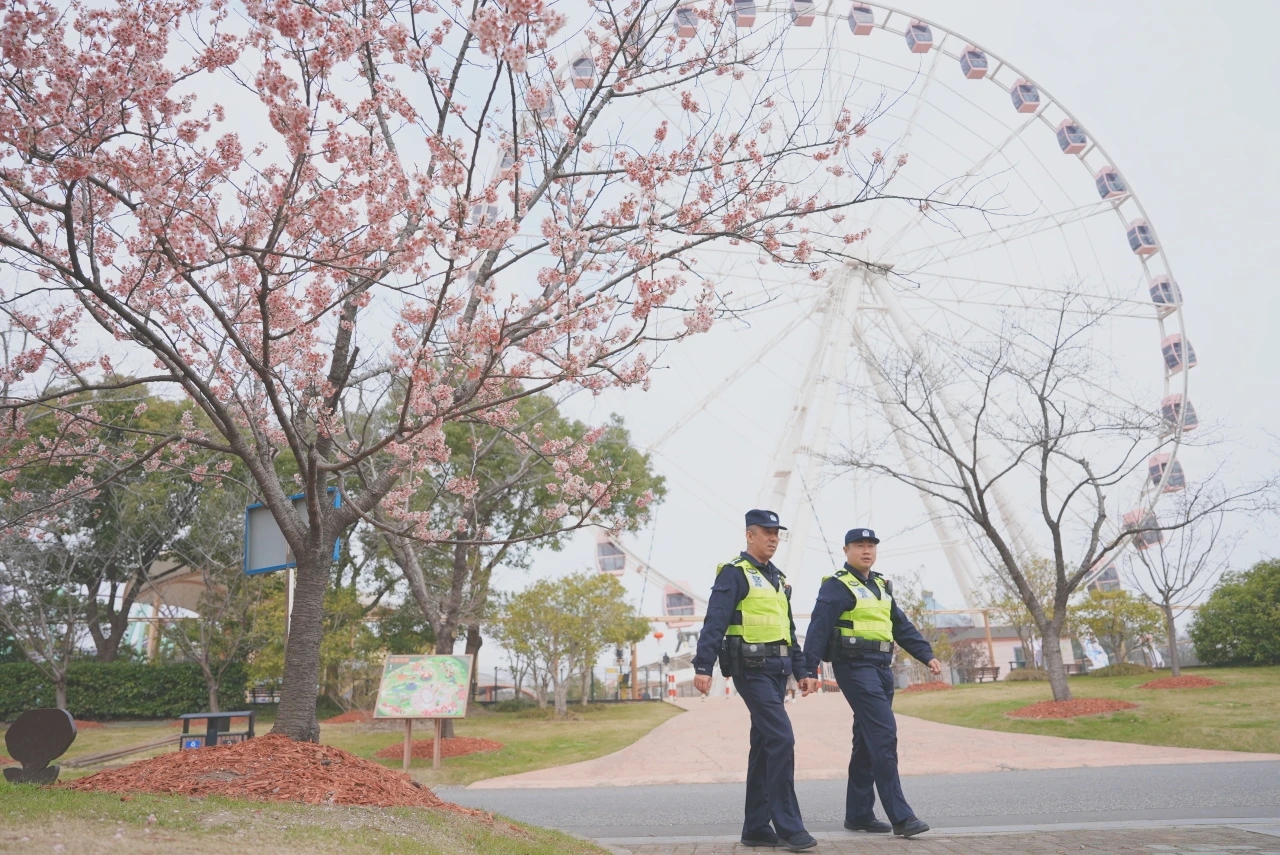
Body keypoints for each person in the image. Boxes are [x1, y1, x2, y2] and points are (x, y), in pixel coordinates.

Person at [798, 528, 942, 839]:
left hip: (881, 667)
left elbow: (900, 625)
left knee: (866, 739)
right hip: (853, 666)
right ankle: (901, 817)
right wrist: (808, 669)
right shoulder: (837, 586)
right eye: (860, 545)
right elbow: (819, 627)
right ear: (846, 549)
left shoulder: (880, 585)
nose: (867, 551)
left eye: (871, 546)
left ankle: (859, 814)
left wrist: (926, 655)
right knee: (883, 733)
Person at [692, 509, 817, 852]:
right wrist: (703, 666)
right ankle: (789, 826)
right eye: (767, 532)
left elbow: (788, 630)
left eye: (777, 533)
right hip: (750, 670)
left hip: (777, 672)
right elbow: (714, 620)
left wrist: (802, 671)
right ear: (750, 535)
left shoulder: (777, 578)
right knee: (782, 738)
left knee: (765, 746)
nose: (774, 538)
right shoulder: (734, 573)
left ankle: (756, 827)